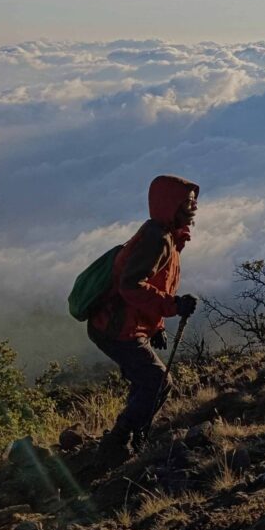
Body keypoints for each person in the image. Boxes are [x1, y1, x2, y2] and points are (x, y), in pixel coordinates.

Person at [90, 175, 199, 466]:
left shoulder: (169, 237)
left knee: (147, 380)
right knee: (157, 381)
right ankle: (117, 444)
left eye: (194, 201)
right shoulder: (157, 239)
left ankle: (132, 437)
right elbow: (131, 286)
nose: (194, 207)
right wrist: (172, 307)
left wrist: (157, 325)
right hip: (114, 327)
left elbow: (156, 285)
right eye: (187, 202)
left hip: (125, 324)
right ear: (169, 204)